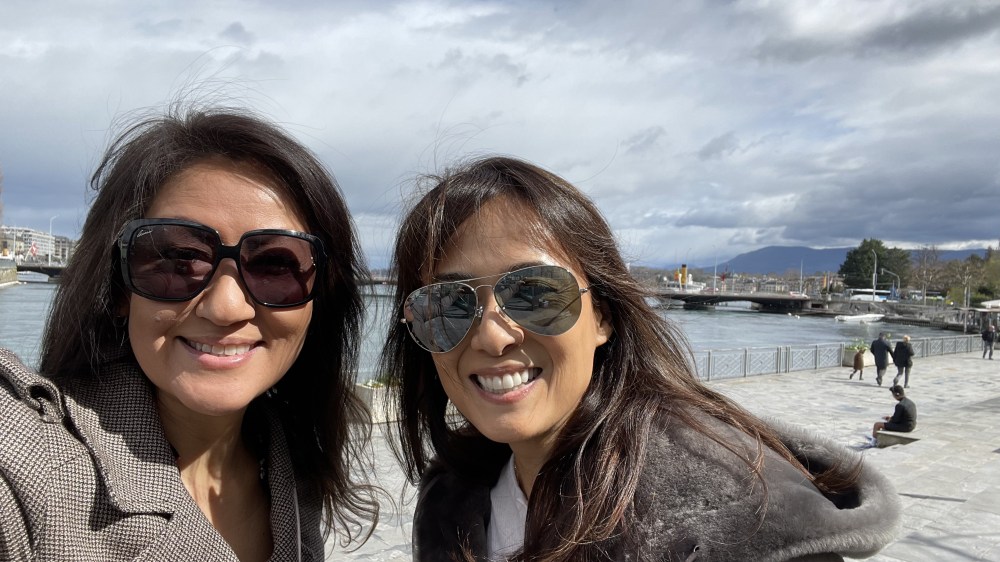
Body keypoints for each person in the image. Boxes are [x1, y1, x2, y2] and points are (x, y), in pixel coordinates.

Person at [380, 156, 900, 561]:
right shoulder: (455, 497)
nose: (492, 337)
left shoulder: (741, 517)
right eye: (446, 304)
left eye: (535, 293)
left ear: (603, 316)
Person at [0, 107, 379, 560]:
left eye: (275, 265)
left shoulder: (294, 466)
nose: (226, 307)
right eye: (179, 260)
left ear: (320, 300)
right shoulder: (33, 464)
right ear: (119, 287)